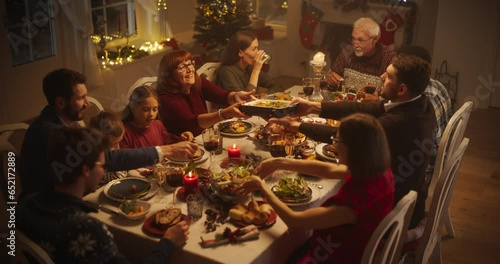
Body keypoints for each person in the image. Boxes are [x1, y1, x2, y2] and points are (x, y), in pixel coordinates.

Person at [271, 54, 436, 232]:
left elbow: (344, 136)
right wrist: (313, 107)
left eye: (388, 76)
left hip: (392, 217)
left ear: (402, 89)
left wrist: (297, 126)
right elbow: (365, 108)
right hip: (406, 195)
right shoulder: (421, 103)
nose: (381, 77)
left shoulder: (396, 123)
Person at [237, 114, 394, 263]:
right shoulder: (377, 170)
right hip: (352, 246)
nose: (334, 144)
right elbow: (328, 170)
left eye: (337, 139)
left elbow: (294, 221)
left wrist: (262, 188)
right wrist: (278, 162)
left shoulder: (351, 206)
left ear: (354, 148)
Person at [18, 127, 190, 263]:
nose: (104, 171)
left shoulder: (26, 203)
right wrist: (168, 243)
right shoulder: (87, 229)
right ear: (85, 170)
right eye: (102, 165)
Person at [20, 68, 198, 196]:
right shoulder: (49, 133)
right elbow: (105, 158)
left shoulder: (57, 121)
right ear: (60, 103)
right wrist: (165, 151)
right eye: (81, 98)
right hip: (48, 206)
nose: (87, 103)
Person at [157, 50, 255, 137]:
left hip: (205, 138)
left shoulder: (198, 82)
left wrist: (236, 96)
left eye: (190, 64)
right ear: (169, 75)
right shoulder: (165, 98)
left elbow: (223, 96)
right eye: (182, 67)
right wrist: (224, 114)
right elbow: (192, 123)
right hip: (184, 147)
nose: (190, 69)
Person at [326, 17, 396, 90]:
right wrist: (332, 81)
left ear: (375, 39)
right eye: (353, 39)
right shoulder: (347, 52)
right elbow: (332, 84)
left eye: (361, 40)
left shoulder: (388, 58)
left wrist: (377, 96)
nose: (355, 45)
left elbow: (391, 94)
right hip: (346, 100)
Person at [120, 85, 193, 148]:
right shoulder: (125, 133)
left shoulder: (158, 125)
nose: (151, 114)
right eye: (146, 110)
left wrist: (182, 139)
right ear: (133, 109)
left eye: (155, 109)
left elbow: (170, 144)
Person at [218, 30, 282, 94]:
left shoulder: (248, 67)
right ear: (240, 53)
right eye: (254, 49)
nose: (257, 52)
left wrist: (267, 97)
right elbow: (244, 101)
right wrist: (256, 71)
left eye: (257, 48)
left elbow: (276, 85)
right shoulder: (226, 71)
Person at [88, 111, 128, 185]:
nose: (118, 147)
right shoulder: (97, 160)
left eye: (119, 142)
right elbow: (118, 178)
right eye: (114, 144)